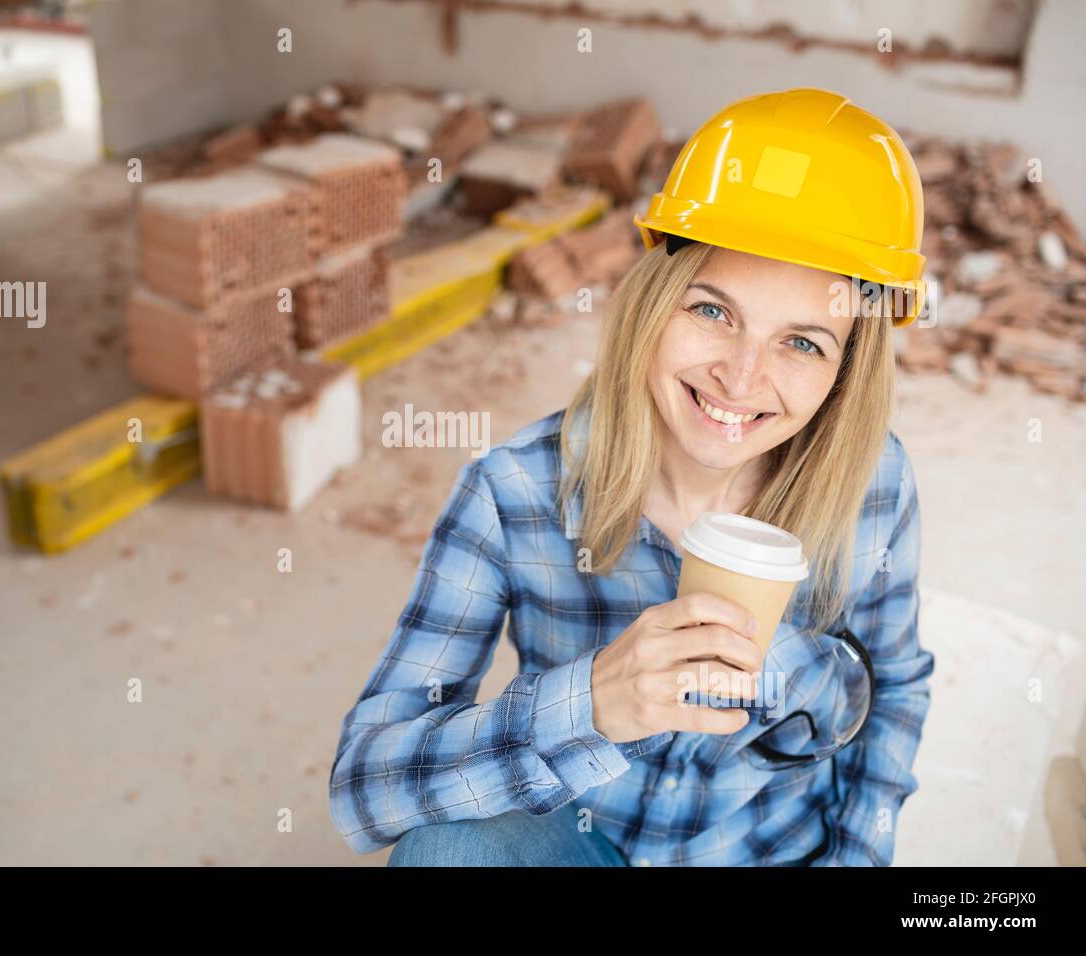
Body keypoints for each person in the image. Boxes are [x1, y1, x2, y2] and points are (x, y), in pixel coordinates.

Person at [328, 88, 935, 866]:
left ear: (847, 372)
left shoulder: (873, 483)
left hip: (764, 850)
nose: (740, 379)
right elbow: (362, 789)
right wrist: (590, 703)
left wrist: (859, 857)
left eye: (803, 343)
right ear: (653, 303)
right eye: (712, 311)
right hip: (586, 841)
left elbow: (893, 694)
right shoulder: (512, 492)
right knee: (448, 851)